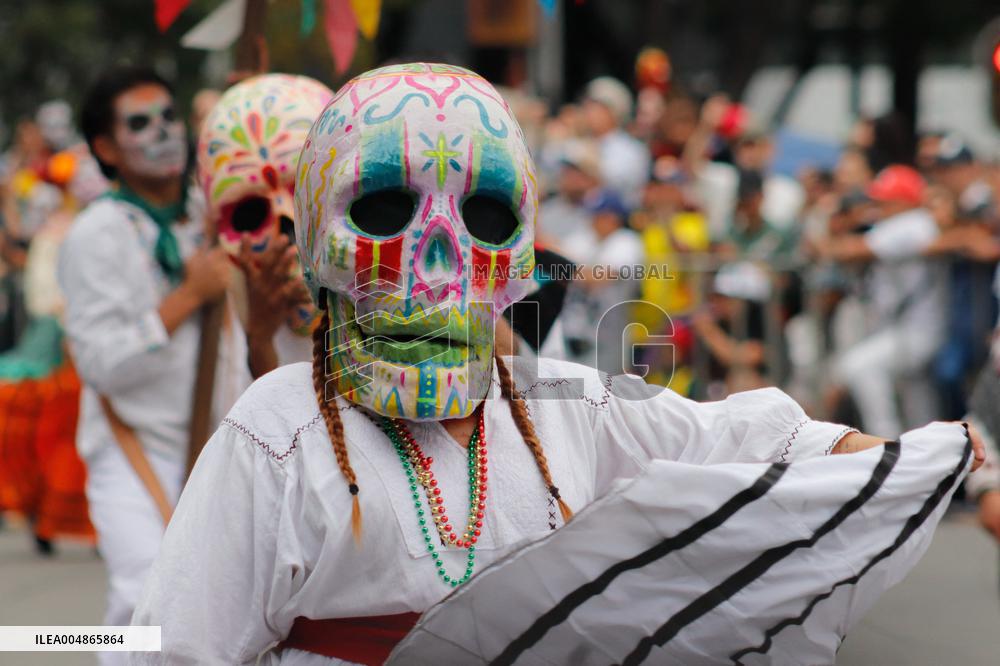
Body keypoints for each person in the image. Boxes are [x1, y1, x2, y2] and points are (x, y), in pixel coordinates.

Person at [131, 63, 984, 665]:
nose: (436, 267)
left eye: (483, 220)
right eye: (385, 209)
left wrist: (895, 457)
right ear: (326, 243)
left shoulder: (564, 405)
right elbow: (176, 647)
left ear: (520, 254)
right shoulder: (274, 435)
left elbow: (738, 434)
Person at [57, 65, 250, 660]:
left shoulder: (214, 214)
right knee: (143, 605)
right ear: (106, 147)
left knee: (230, 610)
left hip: (225, 447)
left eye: (169, 116)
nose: (163, 132)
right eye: (140, 123)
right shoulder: (96, 234)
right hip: (135, 448)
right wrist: (186, 297)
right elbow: (100, 365)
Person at [195, 73, 333, 377]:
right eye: (250, 213)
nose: (285, 235)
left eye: (302, 196)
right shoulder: (221, 304)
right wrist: (260, 338)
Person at [821, 165, 946, 437]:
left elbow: (848, 249)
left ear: (904, 200)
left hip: (917, 330)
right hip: (903, 326)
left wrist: (833, 230)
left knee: (858, 367)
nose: (877, 207)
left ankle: (884, 446)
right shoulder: (907, 223)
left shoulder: (914, 222)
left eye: (884, 201)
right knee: (918, 406)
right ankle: (932, 462)